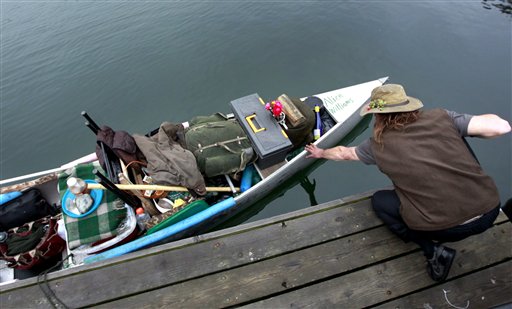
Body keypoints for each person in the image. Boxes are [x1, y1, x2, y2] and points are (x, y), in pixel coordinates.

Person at [305, 84, 511, 282]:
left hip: (445, 229)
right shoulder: (442, 117)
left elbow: (345, 153)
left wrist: (320, 152)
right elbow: (501, 127)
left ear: (377, 115)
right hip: (489, 211)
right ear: (408, 106)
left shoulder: (378, 145)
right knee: (461, 135)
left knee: (380, 202)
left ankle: (433, 252)